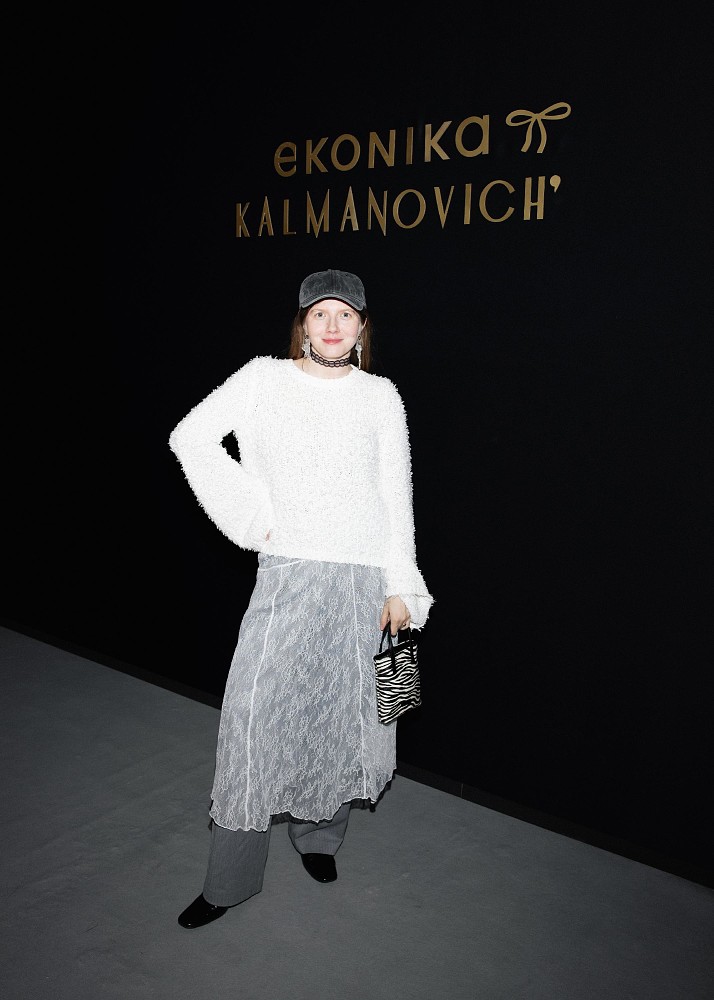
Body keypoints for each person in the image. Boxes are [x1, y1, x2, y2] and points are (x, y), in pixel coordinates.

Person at [168, 268, 434, 929]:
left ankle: (320, 838)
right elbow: (190, 436)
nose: (333, 325)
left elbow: (396, 495)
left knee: (349, 714)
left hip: (366, 580)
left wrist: (402, 584)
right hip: (289, 574)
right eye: (321, 313)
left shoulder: (381, 397)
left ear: (362, 327)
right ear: (303, 323)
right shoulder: (262, 379)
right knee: (252, 724)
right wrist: (252, 516)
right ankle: (230, 882)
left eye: (346, 314)